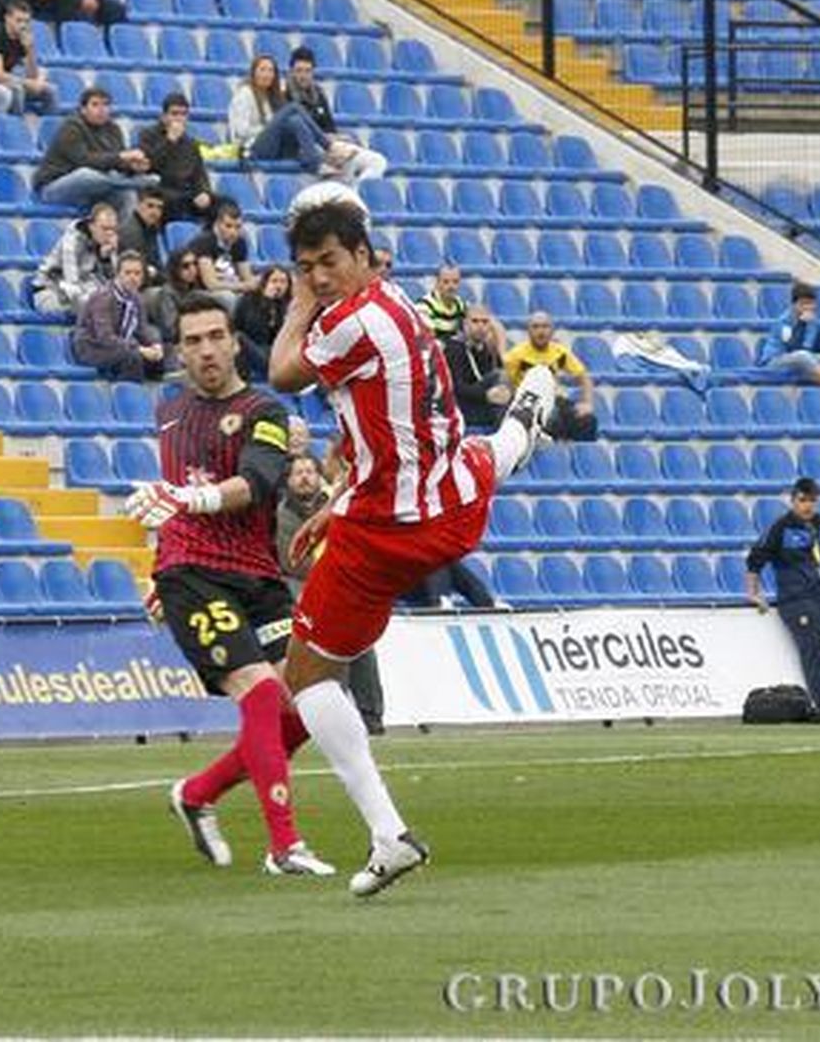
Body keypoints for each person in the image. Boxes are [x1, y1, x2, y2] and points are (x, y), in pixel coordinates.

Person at [252, 189, 553, 895]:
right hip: (451, 499)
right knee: (481, 455)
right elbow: (382, 437)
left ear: (363, 256)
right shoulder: (401, 306)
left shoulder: (349, 322)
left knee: (307, 679)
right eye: (307, 266)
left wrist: (297, 300)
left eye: (328, 262)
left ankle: (388, 835)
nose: (319, 277)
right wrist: (336, 502)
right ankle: (522, 428)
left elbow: (281, 372)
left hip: (391, 530)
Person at [131, 292, 334, 877]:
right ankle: (285, 847)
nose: (206, 350)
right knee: (262, 694)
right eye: (193, 341)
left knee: (306, 710)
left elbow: (259, 480)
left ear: (234, 343)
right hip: (192, 572)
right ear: (179, 351)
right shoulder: (169, 413)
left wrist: (190, 498)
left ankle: (197, 794)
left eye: (216, 336)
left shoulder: (264, 411)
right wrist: (162, 572)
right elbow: (175, 503)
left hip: (257, 576)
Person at [276, 451, 384, 734]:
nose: (304, 478)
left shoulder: (338, 505)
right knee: (328, 651)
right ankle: (337, 717)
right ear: (288, 480)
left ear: (319, 475)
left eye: (309, 472)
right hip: (308, 587)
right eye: (298, 473)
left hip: (345, 583)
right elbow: (291, 562)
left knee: (362, 647)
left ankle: (372, 716)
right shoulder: (282, 515)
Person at [745, 476, 820, 712]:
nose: (807, 505)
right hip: (797, 599)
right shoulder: (781, 527)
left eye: (812, 500)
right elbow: (755, 559)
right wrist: (754, 593)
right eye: (802, 500)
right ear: (793, 501)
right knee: (813, 651)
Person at [33, 87, 158, 211]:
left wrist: (132, 168)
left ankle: (124, 221)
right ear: (83, 109)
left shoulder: (113, 129)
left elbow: (117, 163)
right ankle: (128, 182)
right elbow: (83, 160)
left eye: (106, 105)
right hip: (55, 187)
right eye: (95, 105)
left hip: (96, 188)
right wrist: (121, 157)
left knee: (126, 195)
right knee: (86, 175)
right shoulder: (71, 127)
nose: (101, 109)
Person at [285, 46, 386, 183]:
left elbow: (329, 127)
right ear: (291, 71)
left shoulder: (318, 93)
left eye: (307, 71)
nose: (303, 76)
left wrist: (341, 139)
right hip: (305, 150)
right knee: (344, 166)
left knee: (378, 161)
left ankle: (355, 189)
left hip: (328, 145)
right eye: (299, 70)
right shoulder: (283, 95)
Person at [503, 310, 597, 442]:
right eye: (535, 327)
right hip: (528, 403)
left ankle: (581, 453)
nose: (541, 331)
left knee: (587, 420)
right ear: (528, 331)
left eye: (545, 326)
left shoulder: (559, 352)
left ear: (552, 330)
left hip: (553, 399)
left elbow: (584, 377)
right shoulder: (516, 355)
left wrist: (587, 403)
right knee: (553, 419)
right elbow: (505, 382)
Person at [72, 250, 164, 382]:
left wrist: (155, 345)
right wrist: (139, 349)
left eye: (137, 273)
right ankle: (128, 391)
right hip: (92, 347)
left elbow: (142, 330)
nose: (133, 278)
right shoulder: (103, 297)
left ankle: (155, 390)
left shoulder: (137, 298)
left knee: (158, 357)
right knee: (132, 357)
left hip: (120, 346)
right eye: (128, 273)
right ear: (118, 274)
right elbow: (105, 337)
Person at [227, 55, 327, 175]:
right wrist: (269, 127)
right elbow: (241, 132)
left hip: (273, 147)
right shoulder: (244, 94)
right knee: (293, 107)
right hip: (251, 149)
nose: (267, 74)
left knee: (295, 121)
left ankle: (313, 162)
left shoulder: (270, 97)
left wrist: (273, 126)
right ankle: (328, 145)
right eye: (262, 70)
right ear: (253, 73)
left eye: (271, 71)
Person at [758, 281, 820, 391]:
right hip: (776, 360)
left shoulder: (812, 321)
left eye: (811, 303)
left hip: (803, 358)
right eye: (803, 304)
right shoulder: (784, 322)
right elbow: (792, 347)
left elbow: (813, 346)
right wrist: (803, 325)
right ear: (794, 304)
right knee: (802, 356)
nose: (808, 307)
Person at [0, 0, 54, 116]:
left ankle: (48, 124)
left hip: (5, 81)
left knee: (50, 90)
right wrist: (28, 83)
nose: (23, 25)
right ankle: (17, 124)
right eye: (19, 20)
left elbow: (32, 75)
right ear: (7, 18)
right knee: (17, 89)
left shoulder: (22, 37)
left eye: (26, 21)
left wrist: (30, 49)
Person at [137, 92, 214, 223]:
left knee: (223, 205)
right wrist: (169, 141)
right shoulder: (147, 135)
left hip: (186, 193)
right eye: (174, 114)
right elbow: (149, 165)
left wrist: (204, 192)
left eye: (183, 114)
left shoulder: (190, 143)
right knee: (172, 201)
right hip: (160, 188)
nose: (179, 118)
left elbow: (200, 174)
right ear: (164, 116)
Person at [30, 201, 118, 314]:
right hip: (49, 292)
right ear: (92, 226)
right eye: (105, 228)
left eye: (113, 229)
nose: (109, 234)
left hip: (80, 290)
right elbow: (72, 284)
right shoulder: (72, 240)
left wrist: (105, 259)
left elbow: (113, 285)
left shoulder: (105, 243)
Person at [446, 304, 511, 429]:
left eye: (485, 322)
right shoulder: (454, 348)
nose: (480, 326)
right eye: (475, 321)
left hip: (485, 406)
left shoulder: (489, 348)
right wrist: (486, 395)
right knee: (500, 375)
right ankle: (503, 430)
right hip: (463, 410)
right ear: (465, 324)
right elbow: (456, 388)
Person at [189, 200, 257, 311]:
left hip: (231, 286)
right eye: (228, 226)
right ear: (217, 224)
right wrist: (243, 286)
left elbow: (247, 277)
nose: (233, 232)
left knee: (257, 296)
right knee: (228, 297)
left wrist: (255, 284)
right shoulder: (204, 242)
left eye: (237, 227)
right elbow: (211, 284)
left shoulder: (239, 242)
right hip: (201, 291)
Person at [232, 265, 289, 383]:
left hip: (277, 352)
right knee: (238, 337)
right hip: (252, 347)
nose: (278, 286)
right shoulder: (248, 300)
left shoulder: (288, 305)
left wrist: (278, 308)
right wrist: (267, 302)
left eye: (283, 282)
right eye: (274, 281)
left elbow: (282, 336)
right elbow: (254, 331)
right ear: (264, 283)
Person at [144, 247, 199, 345]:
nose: (192, 269)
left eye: (195, 264)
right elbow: (170, 331)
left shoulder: (195, 290)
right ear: (175, 269)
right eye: (186, 266)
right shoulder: (168, 294)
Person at [116, 186, 165, 285]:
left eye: (159, 208)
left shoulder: (151, 228)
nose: (155, 212)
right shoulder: (131, 231)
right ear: (138, 205)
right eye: (150, 206)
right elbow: (138, 269)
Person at [416, 262, 466, 342]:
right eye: (446, 282)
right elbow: (428, 339)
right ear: (437, 283)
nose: (451, 286)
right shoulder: (424, 305)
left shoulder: (461, 304)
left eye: (455, 282)